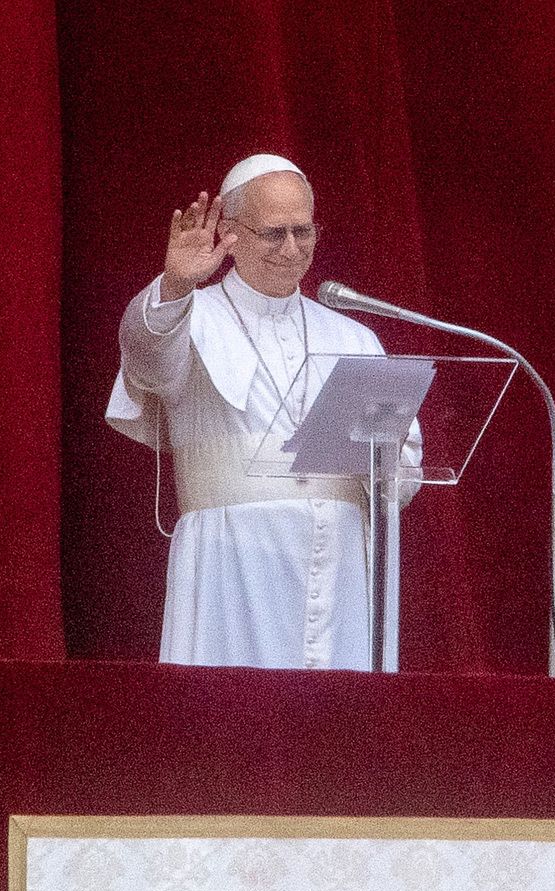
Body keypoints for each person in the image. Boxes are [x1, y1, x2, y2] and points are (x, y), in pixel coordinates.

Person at [105, 153, 417, 669]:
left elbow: (402, 471)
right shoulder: (190, 316)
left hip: (339, 565)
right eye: (274, 233)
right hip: (230, 561)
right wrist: (176, 285)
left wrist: (387, 464)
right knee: (231, 710)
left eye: (303, 231)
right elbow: (147, 362)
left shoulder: (355, 336)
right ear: (229, 234)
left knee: (339, 715)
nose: (292, 249)